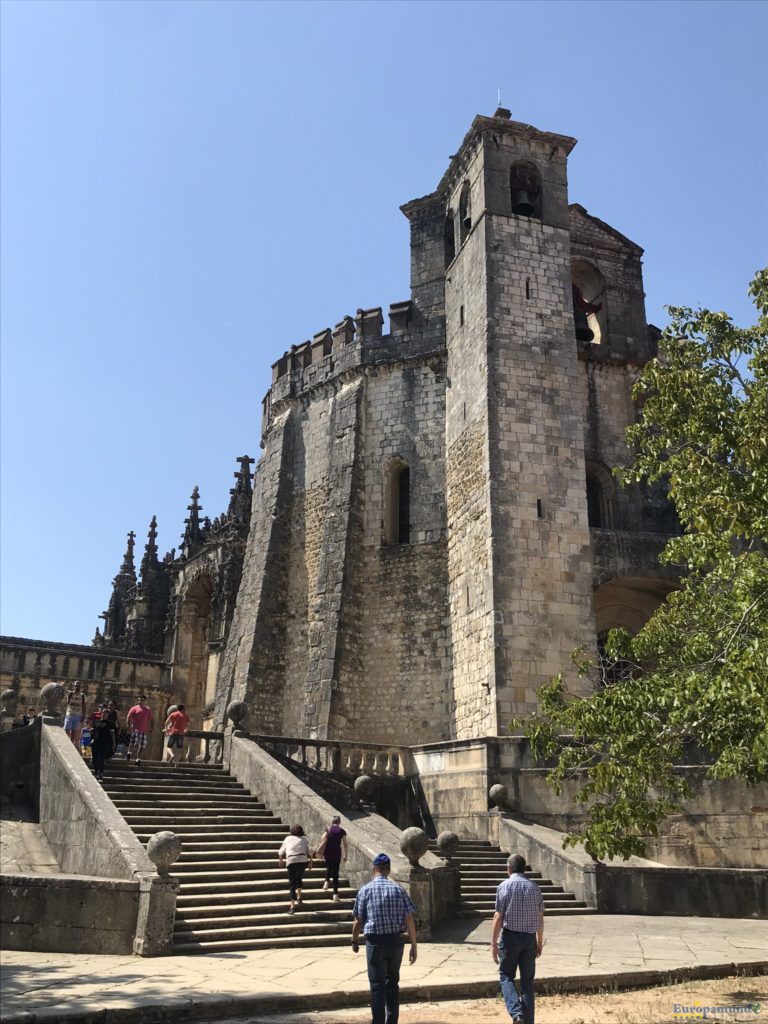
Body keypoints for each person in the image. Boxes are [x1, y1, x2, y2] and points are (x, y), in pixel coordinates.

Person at [351, 852, 417, 1024]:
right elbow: (409, 919)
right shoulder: (398, 890)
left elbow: (358, 920)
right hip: (396, 942)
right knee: (392, 983)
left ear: (374, 869)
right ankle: (392, 1021)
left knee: (377, 986)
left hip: (376, 943)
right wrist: (414, 945)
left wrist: (354, 940)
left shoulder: (365, 890)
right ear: (388, 869)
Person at [490, 853, 544, 1024]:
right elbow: (540, 916)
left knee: (506, 975)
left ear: (509, 868)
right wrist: (539, 941)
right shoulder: (534, 887)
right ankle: (528, 1021)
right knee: (527, 982)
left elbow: (498, 916)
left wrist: (493, 943)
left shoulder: (504, 886)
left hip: (510, 937)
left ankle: (516, 1013)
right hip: (529, 938)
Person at [277, 824, 313, 915]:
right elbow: (311, 851)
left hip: (291, 860)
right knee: (299, 878)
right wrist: (311, 862)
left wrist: (280, 860)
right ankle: (299, 897)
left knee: (292, 882)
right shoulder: (304, 840)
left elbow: (281, 851)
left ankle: (292, 907)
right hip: (302, 860)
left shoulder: (288, 838)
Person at [315, 814, 347, 901]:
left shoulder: (328, 829)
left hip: (328, 852)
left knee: (329, 867)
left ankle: (326, 882)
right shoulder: (342, 831)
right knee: (336, 873)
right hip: (337, 853)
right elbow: (345, 844)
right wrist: (345, 855)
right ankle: (335, 894)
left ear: (332, 821)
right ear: (339, 822)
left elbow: (322, 838)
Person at [125, 695, 153, 765]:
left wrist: (151, 728)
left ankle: (138, 759)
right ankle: (129, 753)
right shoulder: (134, 708)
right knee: (133, 743)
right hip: (135, 730)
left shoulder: (148, 710)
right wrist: (128, 727)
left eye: (142, 700)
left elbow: (151, 719)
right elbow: (128, 718)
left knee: (142, 746)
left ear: (144, 701)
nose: (140, 701)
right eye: (139, 700)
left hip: (143, 731)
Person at [90, 707, 114, 782]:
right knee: (94, 757)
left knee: (102, 758)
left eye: (106, 714)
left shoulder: (110, 724)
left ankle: (101, 774)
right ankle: (96, 771)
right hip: (96, 741)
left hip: (105, 742)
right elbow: (92, 731)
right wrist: (92, 737)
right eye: (103, 713)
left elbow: (112, 734)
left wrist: (113, 743)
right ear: (101, 714)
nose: (104, 715)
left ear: (108, 715)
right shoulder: (97, 722)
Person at [63, 680, 86, 747]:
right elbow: (63, 689)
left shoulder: (82, 696)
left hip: (77, 715)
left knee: (74, 731)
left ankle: (70, 745)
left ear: (80, 687)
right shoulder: (70, 694)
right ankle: (66, 743)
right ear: (74, 686)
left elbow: (84, 706)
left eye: (78, 686)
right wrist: (64, 683)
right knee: (67, 730)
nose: (77, 687)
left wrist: (83, 716)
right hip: (69, 714)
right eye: (76, 686)